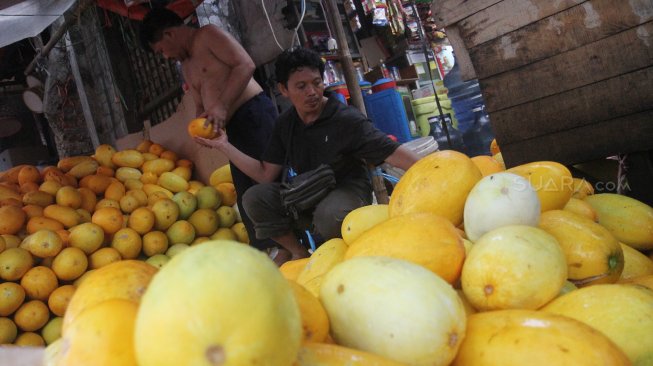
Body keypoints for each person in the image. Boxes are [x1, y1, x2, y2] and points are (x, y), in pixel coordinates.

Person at [196, 47, 420, 262]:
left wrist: (433, 168)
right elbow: (265, 174)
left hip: (347, 189)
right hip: (306, 189)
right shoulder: (286, 124)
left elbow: (392, 152)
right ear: (284, 90)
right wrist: (224, 145)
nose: (312, 92)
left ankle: (344, 256)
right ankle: (298, 252)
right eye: (301, 86)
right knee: (254, 198)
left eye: (317, 83)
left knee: (328, 215)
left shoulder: (345, 119)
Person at [140, 7, 277, 253]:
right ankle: (275, 249)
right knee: (248, 193)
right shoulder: (186, 67)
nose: (165, 57)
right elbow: (202, 104)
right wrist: (201, 123)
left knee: (270, 181)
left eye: (161, 50)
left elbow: (245, 65)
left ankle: (295, 243)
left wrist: (222, 106)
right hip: (232, 130)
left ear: (170, 34)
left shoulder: (208, 35)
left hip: (254, 114)